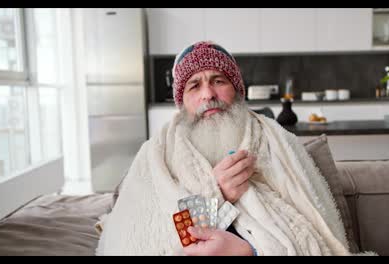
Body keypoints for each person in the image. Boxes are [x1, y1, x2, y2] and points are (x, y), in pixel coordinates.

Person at [96, 41, 359, 256]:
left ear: (237, 90)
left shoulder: (276, 140)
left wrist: (250, 251)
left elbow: (313, 234)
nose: (208, 94)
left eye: (218, 81)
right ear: (182, 102)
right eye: (194, 85)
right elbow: (142, 238)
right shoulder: (157, 153)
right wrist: (216, 192)